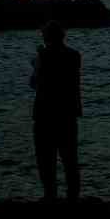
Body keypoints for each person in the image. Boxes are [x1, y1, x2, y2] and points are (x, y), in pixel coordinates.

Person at [29, 21, 82, 201]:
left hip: (45, 115)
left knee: (46, 161)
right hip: (68, 114)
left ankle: (50, 196)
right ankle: (73, 199)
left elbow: (34, 83)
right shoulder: (75, 56)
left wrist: (37, 63)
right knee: (70, 161)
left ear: (46, 37)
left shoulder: (43, 56)